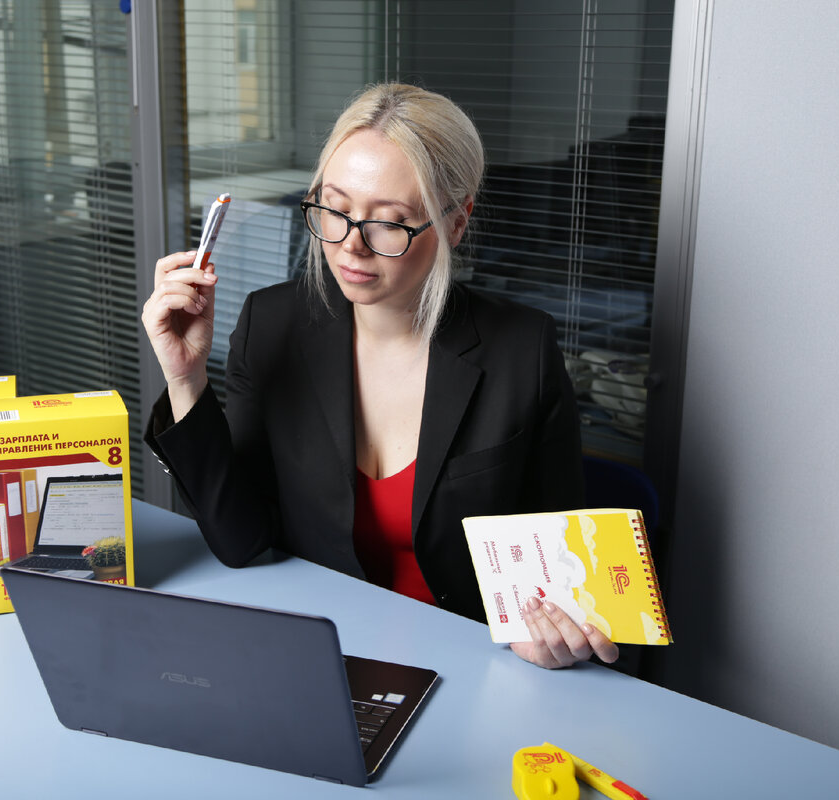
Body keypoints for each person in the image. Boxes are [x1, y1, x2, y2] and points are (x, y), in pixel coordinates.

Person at [142, 83, 618, 670]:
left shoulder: (521, 350)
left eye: (390, 223)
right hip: (321, 652)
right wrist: (186, 379)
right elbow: (240, 540)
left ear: (456, 222)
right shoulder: (273, 323)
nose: (351, 247)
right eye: (334, 209)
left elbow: (565, 574)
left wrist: (554, 629)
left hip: (471, 659)